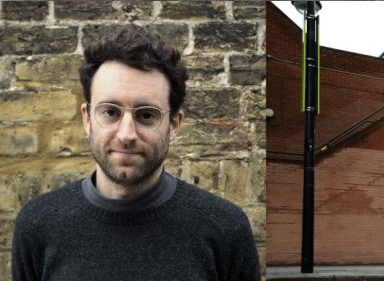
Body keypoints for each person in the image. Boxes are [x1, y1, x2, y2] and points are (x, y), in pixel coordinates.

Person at [11, 25, 261, 281]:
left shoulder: (225, 229)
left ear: (174, 124)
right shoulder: (37, 225)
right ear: (87, 118)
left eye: (146, 115)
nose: (126, 134)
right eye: (111, 112)